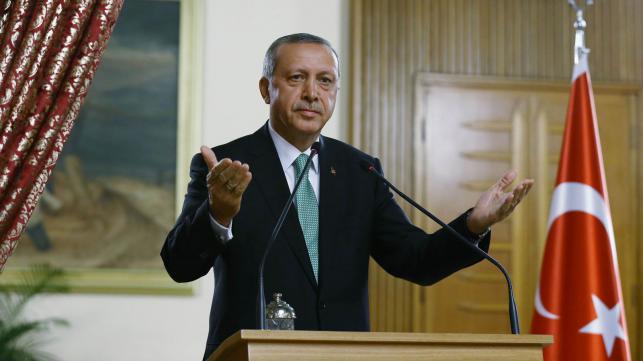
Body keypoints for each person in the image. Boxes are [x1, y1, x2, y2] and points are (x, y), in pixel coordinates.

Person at [161, 33, 533, 360]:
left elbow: (414, 259)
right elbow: (180, 266)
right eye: (296, 78)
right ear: (265, 89)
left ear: (335, 91)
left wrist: (472, 225)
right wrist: (218, 214)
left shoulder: (360, 171)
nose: (312, 93)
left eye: (325, 81)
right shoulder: (224, 169)